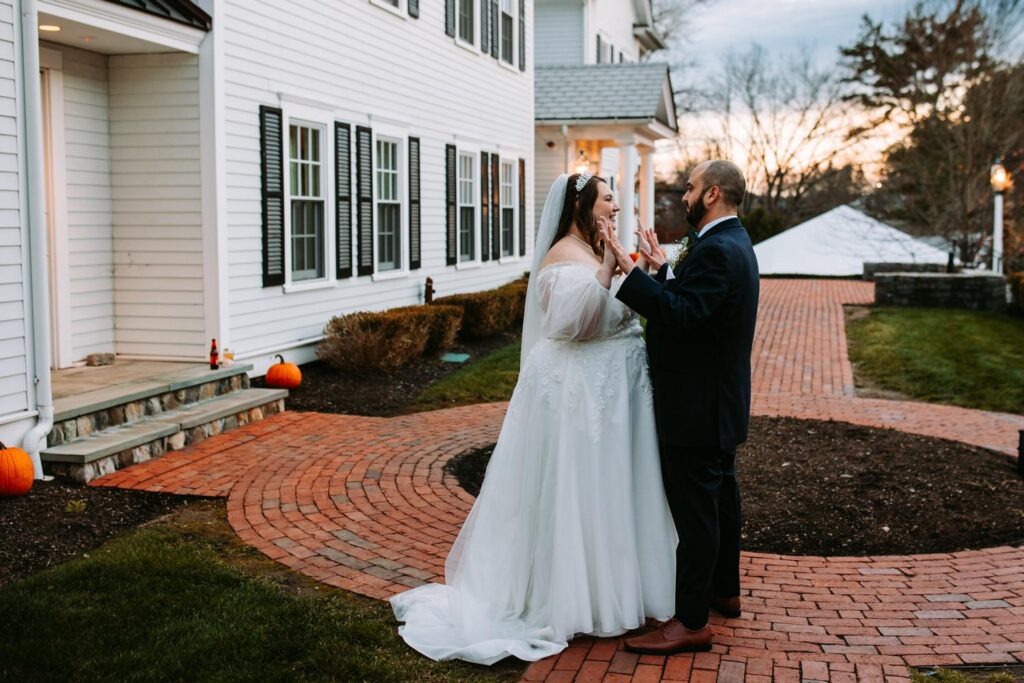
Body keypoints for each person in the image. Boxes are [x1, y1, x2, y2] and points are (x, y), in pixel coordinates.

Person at [389, 171, 676, 665]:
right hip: (583, 393)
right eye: (607, 200)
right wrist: (610, 267)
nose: (614, 208)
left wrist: (645, 271)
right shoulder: (562, 256)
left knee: (615, 488)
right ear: (580, 206)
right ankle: (576, 601)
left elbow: (626, 311)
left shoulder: (594, 250)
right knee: (582, 489)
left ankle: (628, 591)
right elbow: (574, 326)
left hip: (616, 395)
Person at [602, 159, 760, 655]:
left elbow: (684, 314)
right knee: (719, 501)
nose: (684, 196)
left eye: (690, 188)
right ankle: (723, 590)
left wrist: (633, 275)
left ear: (712, 194)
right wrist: (665, 269)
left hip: (696, 406)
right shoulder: (733, 243)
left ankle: (691, 621)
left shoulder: (717, 250)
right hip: (718, 402)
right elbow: (702, 303)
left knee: (696, 517)